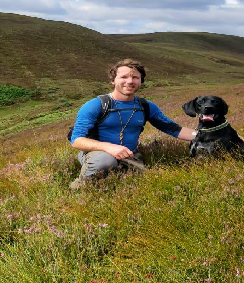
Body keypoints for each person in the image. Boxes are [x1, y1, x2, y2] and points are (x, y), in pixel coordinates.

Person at [69, 59, 196, 189]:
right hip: (96, 153)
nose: (130, 81)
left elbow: (174, 129)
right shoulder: (95, 105)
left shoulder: (146, 107)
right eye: (123, 77)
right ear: (113, 80)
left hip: (129, 156)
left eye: (135, 77)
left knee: (152, 183)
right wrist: (109, 147)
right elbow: (77, 140)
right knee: (105, 160)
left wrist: (208, 134)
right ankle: (79, 189)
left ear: (141, 81)